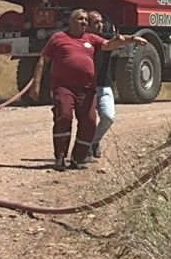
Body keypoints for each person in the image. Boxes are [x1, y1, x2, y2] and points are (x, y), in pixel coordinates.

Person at [28, 9, 143, 170]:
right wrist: (36, 84)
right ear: (71, 21)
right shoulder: (58, 38)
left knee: (89, 122)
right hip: (63, 87)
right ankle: (60, 157)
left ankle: (78, 158)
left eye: (85, 20)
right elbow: (43, 60)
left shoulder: (91, 38)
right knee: (64, 117)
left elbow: (109, 45)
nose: (84, 22)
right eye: (80, 19)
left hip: (87, 89)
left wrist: (130, 39)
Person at [84, 11, 117, 158]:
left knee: (108, 117)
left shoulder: (107, 40)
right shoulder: (80, 41)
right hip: (86, 88)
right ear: (88, 25)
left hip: (104, 86)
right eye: (96, 22)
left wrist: (131, 39)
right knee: (87, 121)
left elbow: (117, 43)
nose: (100, 25)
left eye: (101, 21)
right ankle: (83, 149)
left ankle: (94, 142)